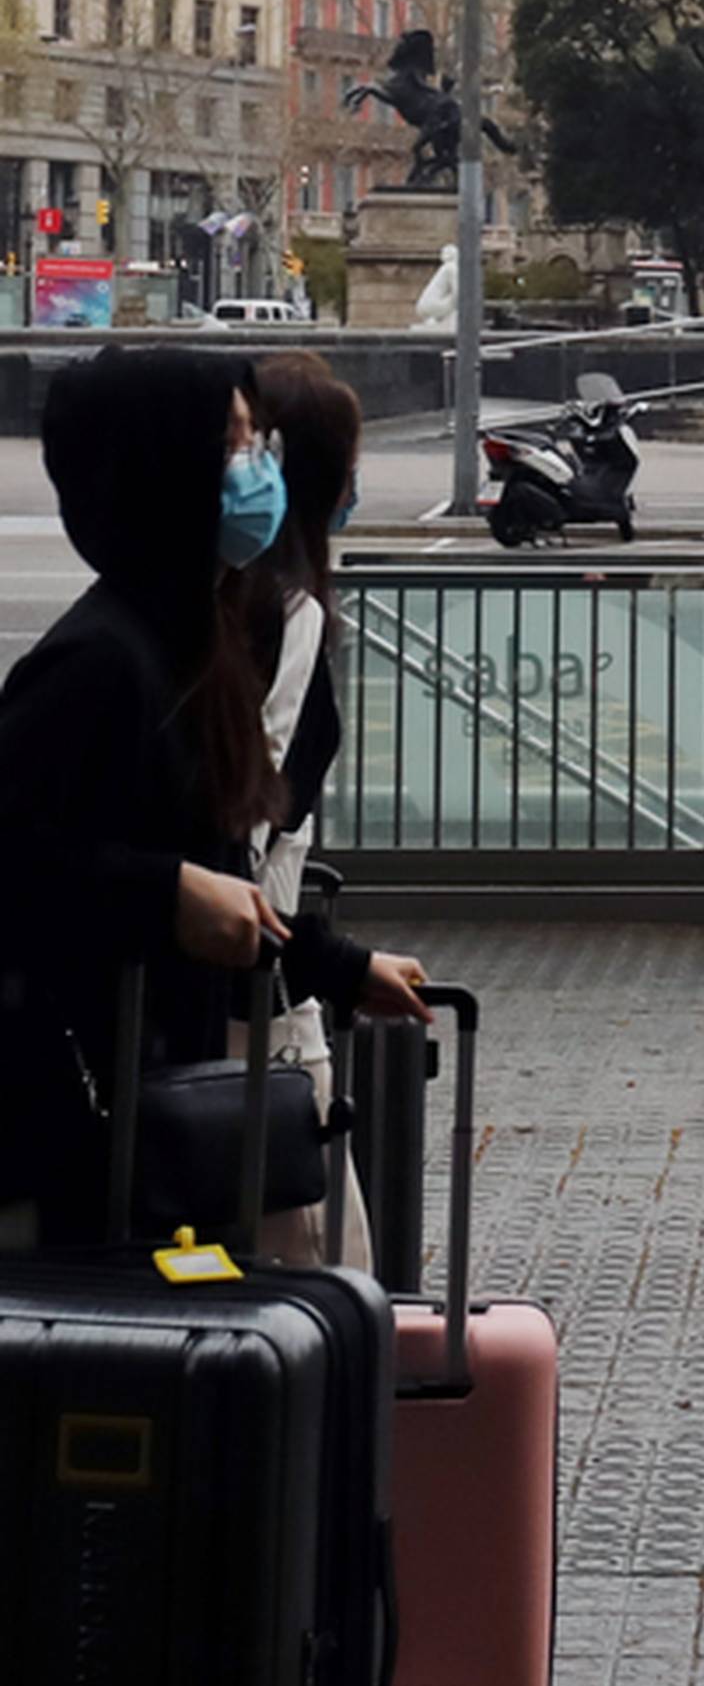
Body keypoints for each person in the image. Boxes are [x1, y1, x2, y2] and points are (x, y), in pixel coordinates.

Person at [0, 344, 425, 1243]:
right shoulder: (96, 664)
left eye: (258, 442)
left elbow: (225, 865)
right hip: (73, 1136)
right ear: (163, 469)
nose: (259, 469)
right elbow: (25, 861)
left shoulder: (195, 639)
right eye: (233, 445)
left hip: (156, 1112)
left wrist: (340, 968)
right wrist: (163, 895)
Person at [233, 350, 381, 1271]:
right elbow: (245, 834)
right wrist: (331, 959)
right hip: (265, 1009)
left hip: (242, 989)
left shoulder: (215, 600)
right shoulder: (290, 614)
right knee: (324, 1274)